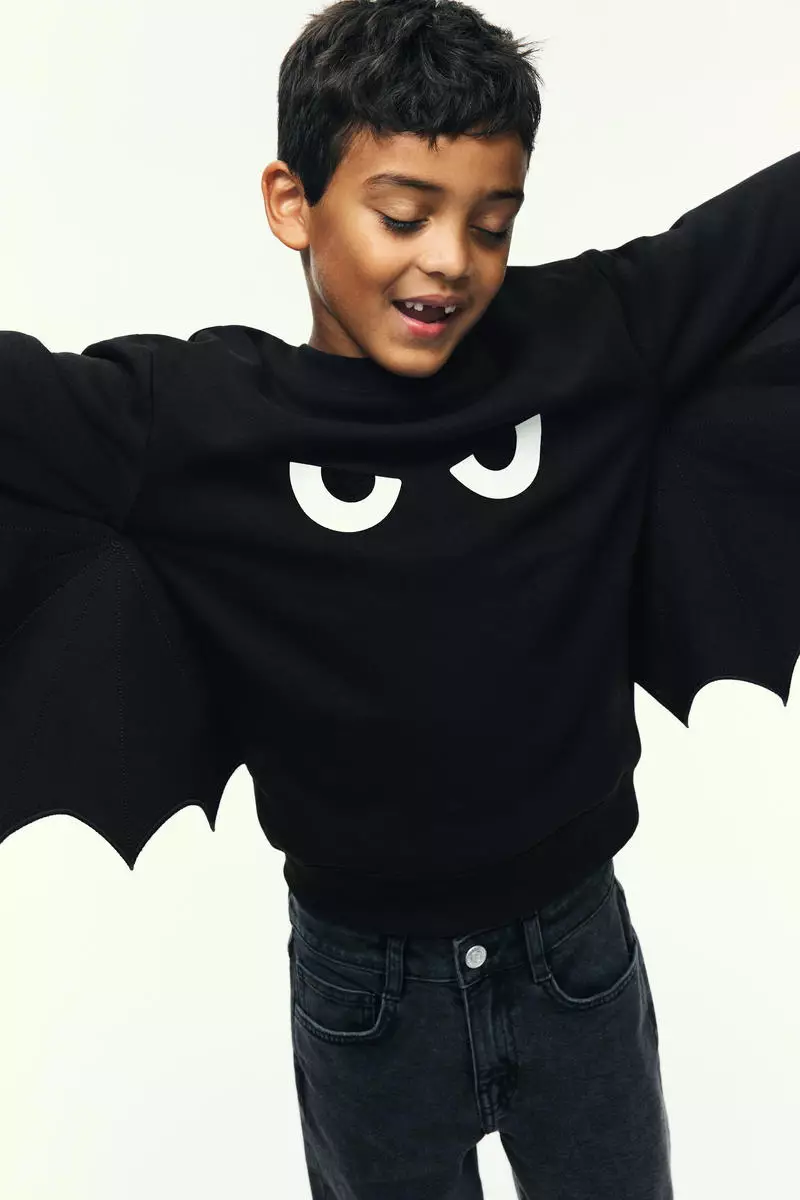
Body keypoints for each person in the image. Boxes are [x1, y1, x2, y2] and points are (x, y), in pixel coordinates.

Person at [2, 2, 799, 1197]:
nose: (450, 261)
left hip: (575, 951)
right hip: (363, 989)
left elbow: (766, 238)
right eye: (402, 214)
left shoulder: (592, 338)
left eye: (491, 222)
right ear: (292, 204)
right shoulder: (191, 421)